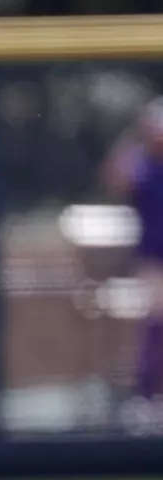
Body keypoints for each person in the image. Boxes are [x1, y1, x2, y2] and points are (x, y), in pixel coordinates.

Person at [103, 96, 163, 428]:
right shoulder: (143, 165)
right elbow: (116, 176)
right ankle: (146, 398)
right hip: (154, 259)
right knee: (156, 322)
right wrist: (134, 135)